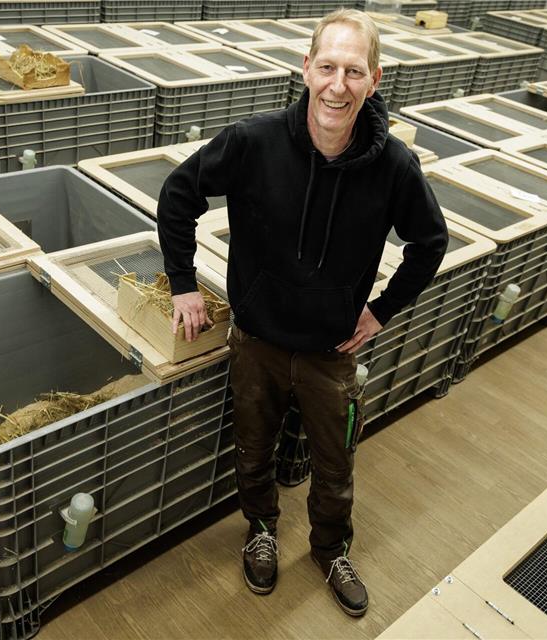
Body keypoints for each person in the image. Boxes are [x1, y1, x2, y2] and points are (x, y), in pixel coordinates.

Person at [157, 9, 447, 617]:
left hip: (330, 352)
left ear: (375, 79)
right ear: (306, 68)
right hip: (257, 340)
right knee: (253, 449)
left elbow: (430, 243)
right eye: (328, 67)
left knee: (335, 464)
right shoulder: (252, 141)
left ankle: (330, 549)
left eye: (354, 71)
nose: (338, 85)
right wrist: (183, 284)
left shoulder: (394, 166)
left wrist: (382, 310)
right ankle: (261, 530)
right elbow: (179, 195)